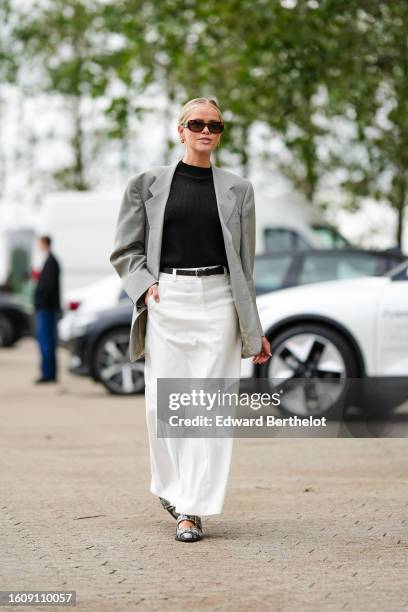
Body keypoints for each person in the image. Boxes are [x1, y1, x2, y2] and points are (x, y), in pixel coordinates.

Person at [110, 97, 272, 542]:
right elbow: (125, 251)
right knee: (162, 406)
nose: (206, 131)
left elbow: (245, 266)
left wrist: (253, 330)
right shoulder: (145, 185)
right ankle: (172, 487)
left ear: (220, 133)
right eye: (196, 123)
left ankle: (191, 509)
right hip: (169, 299)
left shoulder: (240, 189)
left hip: (219, 300)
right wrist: (145, 286)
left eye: (215, 125)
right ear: (180, 130)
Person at [33, 235, 61, 384]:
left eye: (39, 243)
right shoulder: (50, 261)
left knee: (46, 342)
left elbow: (48, 288)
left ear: (45, 243)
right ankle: (48, 373)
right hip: (46, 309)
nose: (38, 246)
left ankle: (48, 374)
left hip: (47, 309)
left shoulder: (51, 262)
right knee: (46, 341)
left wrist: (40, 302)